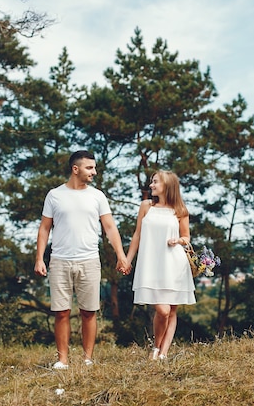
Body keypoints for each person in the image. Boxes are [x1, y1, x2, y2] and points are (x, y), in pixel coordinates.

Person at [35, 150, 129, 370]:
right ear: (75, 169)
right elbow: (44, 229)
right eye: (89, 168)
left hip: (89, 260)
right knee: (61, 311)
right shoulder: (54, 195)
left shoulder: (97, 196)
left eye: (94, 168)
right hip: (60, 260)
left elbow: (109, 227)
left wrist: (121, 255)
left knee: (89, 311)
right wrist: (40, 258)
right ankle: (62, 360)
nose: (94, 172)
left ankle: (87, 358)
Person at [126, 170, 195, 360]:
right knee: (162, 310)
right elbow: (137, 235)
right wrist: (127, 260)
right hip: (150, 264)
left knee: (171, 310)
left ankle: (162, 353)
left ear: (167, 185)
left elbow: (187, 237)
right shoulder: (146, 206)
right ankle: (156, 346)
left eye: (155, 182)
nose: (151, 185)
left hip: (174, 263)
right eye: (152, 182)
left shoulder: (180, 210)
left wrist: (178, 240)